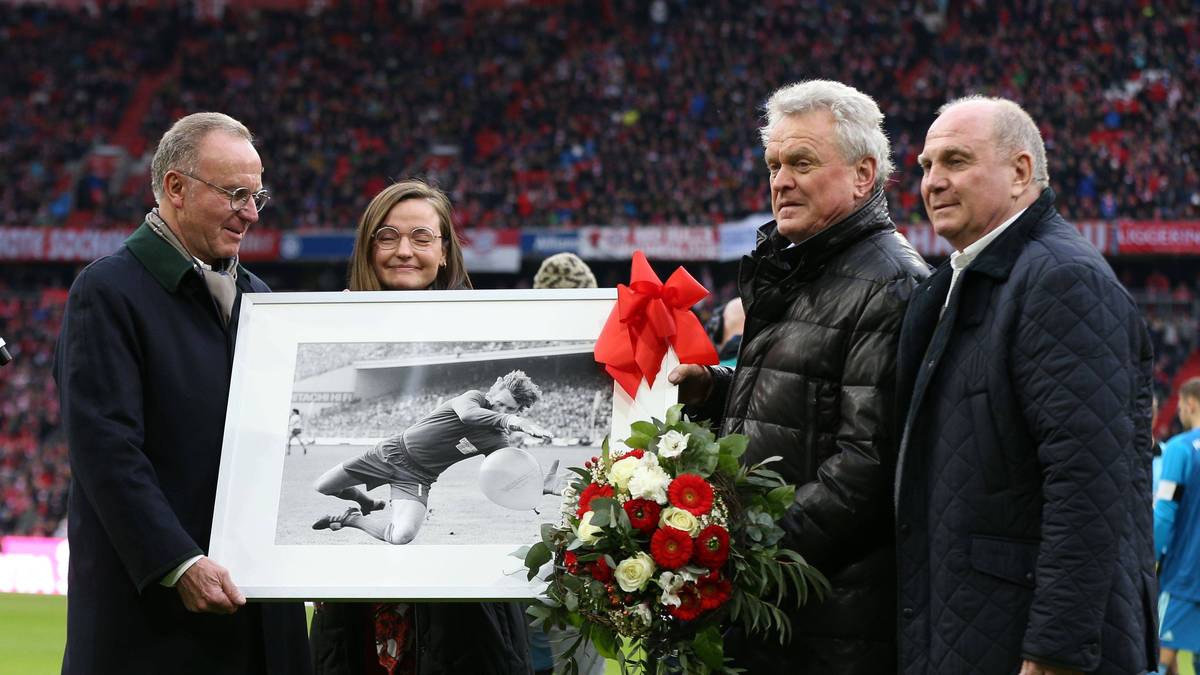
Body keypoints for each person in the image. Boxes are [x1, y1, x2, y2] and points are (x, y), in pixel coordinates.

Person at [668, 80, 929, 674]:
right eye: (774, 165)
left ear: (863, 175)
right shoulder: (804, 268)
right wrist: (713, 390)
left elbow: (866, 467)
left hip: (828, 622)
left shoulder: (891, 282)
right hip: (776, 611)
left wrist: (740, 549)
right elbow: (805, 405)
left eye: (802, 163)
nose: (781, 181)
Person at [893, 96, 1156, 674]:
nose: (933, 182)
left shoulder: (1063, 279)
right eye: (926, 166)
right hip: (973, 627)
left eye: (956, 161)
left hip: (1027, 644)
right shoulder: (961, 281)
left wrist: (1054, 649)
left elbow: (1088, 481)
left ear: (1020, 172)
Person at [52, 112, 311, 673]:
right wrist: (178, 561)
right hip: (156, 628)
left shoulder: (262, 298)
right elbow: (107, 450)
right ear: (176, 188)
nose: (250, 212)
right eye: (235, 193)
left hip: (263, 620)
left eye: (257, 196)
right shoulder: (107, 291)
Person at [307, 179, 535, 675]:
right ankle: (365, 506)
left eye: (422, 237)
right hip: (358, 609)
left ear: (445, 251)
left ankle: (365, 513)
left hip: (465, 619)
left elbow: (508, 462)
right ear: (367, 247)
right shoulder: (324, 321)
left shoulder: (485, 323)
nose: (404, 250)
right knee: (327, 487)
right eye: (387, 237)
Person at [311, 369, 550, 544]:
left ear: (519, 410)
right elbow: (468, 416)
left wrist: (536, 485)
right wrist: (511, 420)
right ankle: (366, 502)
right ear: (493, 391)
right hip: (390, 453)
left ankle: (352, 518)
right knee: (323, 486)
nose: (501, 411)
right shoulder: (473, 398)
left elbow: (507, 472)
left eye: (510, 409)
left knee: (402, 535)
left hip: (417, 477)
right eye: (500, 404)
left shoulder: (497, 439)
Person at [1155, 378, 1200, 674]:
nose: (1180, 412)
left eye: (1181, 406)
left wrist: (1147, 558)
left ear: (1191, 404)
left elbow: (1164, 514)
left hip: (1184, 576)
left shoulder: (1180, 448)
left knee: (1155, 657)